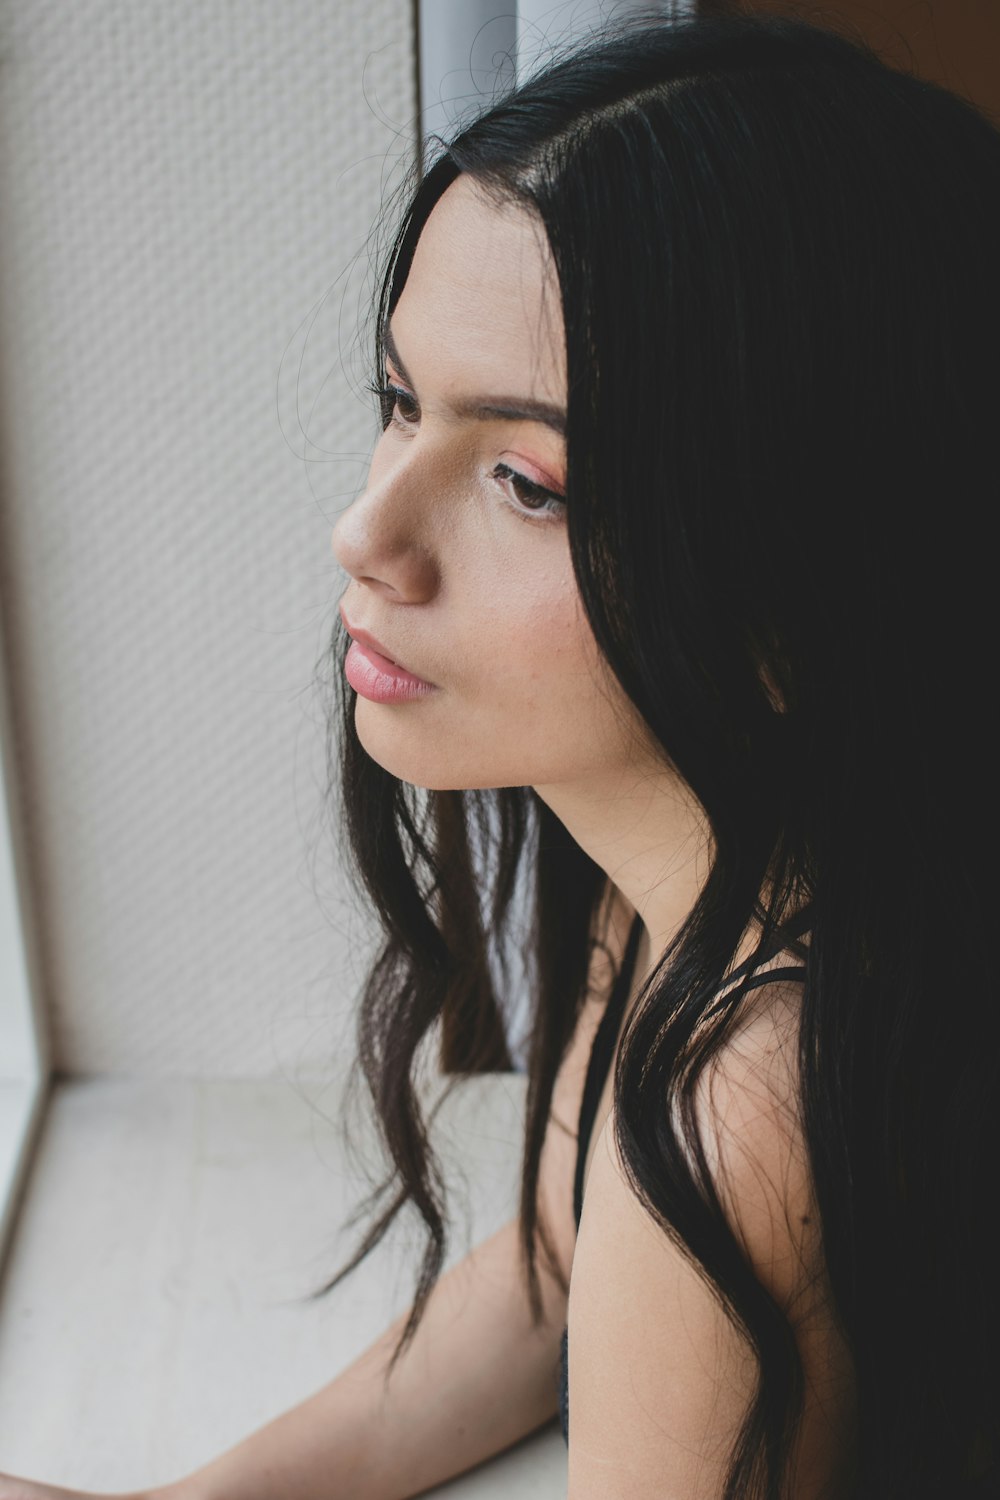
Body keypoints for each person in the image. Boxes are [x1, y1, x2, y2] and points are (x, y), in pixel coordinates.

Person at [2, 10, 998, 1499]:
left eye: (525, 482)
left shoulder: (742, 1120)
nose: (366, 534)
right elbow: (546, 1279)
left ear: (801, 583)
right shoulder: (700, 854)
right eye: (402, 404)